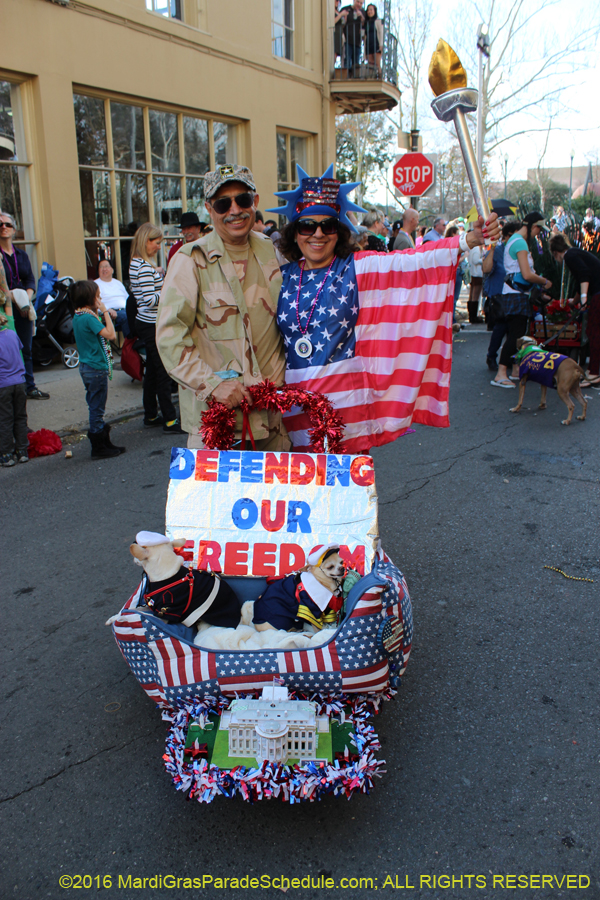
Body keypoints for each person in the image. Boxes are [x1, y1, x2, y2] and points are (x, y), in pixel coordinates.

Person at [268, 163, 499, 451]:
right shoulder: (279, 276)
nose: (317, 234)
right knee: (298, 478)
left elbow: (413, 261)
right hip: (293, 410)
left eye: (327, 225)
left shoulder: (357, 268)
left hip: (344, 412)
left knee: (347, 479)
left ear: (338, 232)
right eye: (307, 225)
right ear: (294, 232)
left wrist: (468, 239)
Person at [157, 165, 289, 450]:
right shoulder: (190, 260)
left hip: (272, 422)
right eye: (222, 204)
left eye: (242, 199)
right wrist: (212, 384)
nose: (234, 210)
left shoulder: (273, 251)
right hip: (219, 427)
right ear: (209, 208)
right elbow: (169, 337)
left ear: (255, 201)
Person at [129, 223, 184, 433]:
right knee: (162, 371)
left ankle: (151, 414)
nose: (159, 247)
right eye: (156, 242)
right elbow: (150, 300)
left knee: (152, 370)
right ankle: (169, 420)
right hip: (151, 323)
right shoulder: (143, 266)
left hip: (147, 322)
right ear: (146, 241)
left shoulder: (137, 263)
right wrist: (169, 289)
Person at [491, 212, 552, 389]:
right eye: (539, 229)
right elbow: (526, 274)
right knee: (516, 335)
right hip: (517, 294)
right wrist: (544, 281)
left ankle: (514, 370)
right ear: (534, 226)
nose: (538, 233)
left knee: (515, 333)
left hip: (513, 293)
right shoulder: (520, 242)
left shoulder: (514, 240)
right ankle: (501, 372)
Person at [70, 280, 126, 459]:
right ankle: (98, 447)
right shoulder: (88, 318)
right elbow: (111, 334)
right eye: (97, 296)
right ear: (89, 298)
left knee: (95, 405)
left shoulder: (79, 315)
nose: (100, 299)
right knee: (97, 409)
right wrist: (105, 311)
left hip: (87, 367)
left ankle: (104, 442)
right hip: (95, 368)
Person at [0, 211, 49, 399]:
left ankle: (29, 386)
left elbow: (29, 279)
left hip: (23, 307)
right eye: (0, 224)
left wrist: (25, 301)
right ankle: (11, 388)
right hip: (4, 307)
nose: (4, 227)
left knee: (26, 348)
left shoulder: (21, 255)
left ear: (14, 230)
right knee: (7, 349)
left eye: (8, 224)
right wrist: (12, 298)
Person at [550, 232, 600, 388]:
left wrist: (583, 299)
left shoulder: (569, 256)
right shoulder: (575, 253)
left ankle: (594, 373)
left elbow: (584, 275)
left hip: (598, 294)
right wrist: (575, 301)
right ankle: (594, 371)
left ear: (555, 253)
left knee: (593, 332)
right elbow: (582, 280)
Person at [482, 221, 520, 369]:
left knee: (512, 329)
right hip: (500, 294)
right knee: (501, 327)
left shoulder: (519, 249)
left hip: (515, 293)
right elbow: (486, 269)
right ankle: (492, 356)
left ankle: (507, 358)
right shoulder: (498, 250)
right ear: (506, 236)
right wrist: (492, 249)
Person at [0, 313, 29, 466]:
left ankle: (6, 454)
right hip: (19, 381)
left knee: (5, 419)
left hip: (3, 383)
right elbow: (18, 350)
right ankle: (22, 451)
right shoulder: (11, 334)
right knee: (20, 417)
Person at [94, 259, 129, 337]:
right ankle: (130, 342)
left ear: (112, 270)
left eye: (106, 266)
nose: (104, 269)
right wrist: (106, 310)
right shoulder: (95, 284)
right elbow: (94, 303)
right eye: (101, 267)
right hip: (109, 314)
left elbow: (128, 298)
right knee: (126, 317)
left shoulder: (118, 283)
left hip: (125, 310)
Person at [340, 0, 365, 77]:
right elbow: (341, 24)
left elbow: (365, 25)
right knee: (347, 61)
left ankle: (355, 78)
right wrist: (344, 20)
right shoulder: (346, 9)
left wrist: (361, 16)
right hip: (347, 41)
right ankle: (346, 78)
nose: (359, 4)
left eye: (361, 3)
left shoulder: (363, 12)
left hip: (358, 42)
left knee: (356, 63)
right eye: (358, 2)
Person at [467, 238, 484, 324]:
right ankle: (473, 316)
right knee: (475, 295)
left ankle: (472, 314)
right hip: (477, 274)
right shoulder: (477, 249)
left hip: (474, 273)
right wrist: (483, 260)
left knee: (472, 294)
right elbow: (475, 260)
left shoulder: (473, 248)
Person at [364, 3, 383, 72]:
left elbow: (381, 32)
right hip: (369, 46)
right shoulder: (366, 23)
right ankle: (372, 77)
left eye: (371, 10)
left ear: (374, 11)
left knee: (377, 64)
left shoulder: (378, 21)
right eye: (368, 10)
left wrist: (381, 45)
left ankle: (380, 76)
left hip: (376, 45)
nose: (369, 12)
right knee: (370, 66)